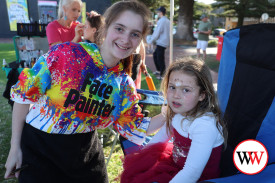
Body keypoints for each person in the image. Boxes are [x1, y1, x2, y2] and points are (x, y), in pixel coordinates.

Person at [4, 1, 165, 182]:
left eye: (134, 34)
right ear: (105, 28)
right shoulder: (66, 55)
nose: (126, 39)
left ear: (140, 40)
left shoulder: (124, 84)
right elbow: (24, 96)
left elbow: (135, 126)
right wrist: (14, 148)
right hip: (40, 153)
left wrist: (172, 112)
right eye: (119, 29)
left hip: (86, 158)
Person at [121, 57, 227, 183]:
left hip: (196, 178)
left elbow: (191, 173)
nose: (176, 95)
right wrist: (140, 162)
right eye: (172, 87)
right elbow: (159, 139)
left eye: (186, 90)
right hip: (174, 166)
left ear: (201, 95)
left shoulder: (204, 125)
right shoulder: (178, 111)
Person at [147, 6, 170, 80]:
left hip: (161, 42)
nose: (157, 13)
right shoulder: (167, 20)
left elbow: (157, 32)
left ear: (161, 12)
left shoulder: (162, 21)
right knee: (155, 55)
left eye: (158, 12)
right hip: (163, 41)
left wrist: (151, 40)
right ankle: (158, 70)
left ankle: (162, 75)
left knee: (160, 58)